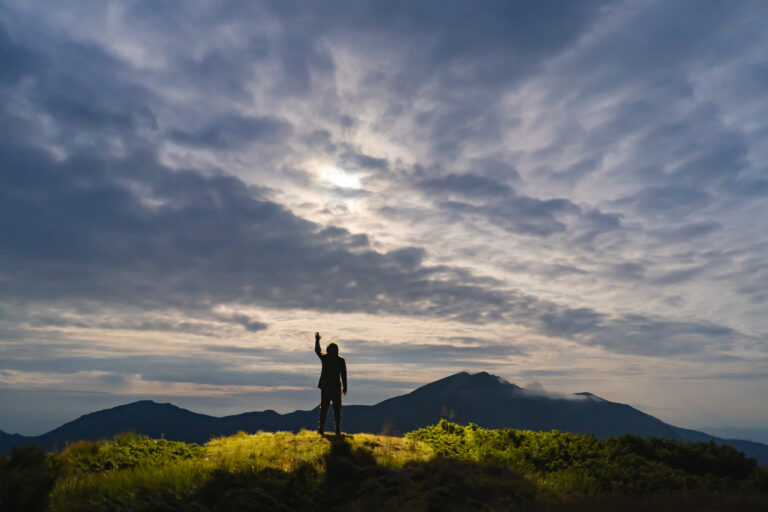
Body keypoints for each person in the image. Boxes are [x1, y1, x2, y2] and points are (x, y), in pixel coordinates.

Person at [314, 331, 347, 436]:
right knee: (337, 409)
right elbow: (344, 375)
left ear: (328, 350)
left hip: (326, 388)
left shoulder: (325, 358)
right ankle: (337, 430)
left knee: (324, 408)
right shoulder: (340, 360)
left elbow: (317, 350)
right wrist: (345, 388)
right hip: (336, 388)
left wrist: (317, 340)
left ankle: (321, 429)